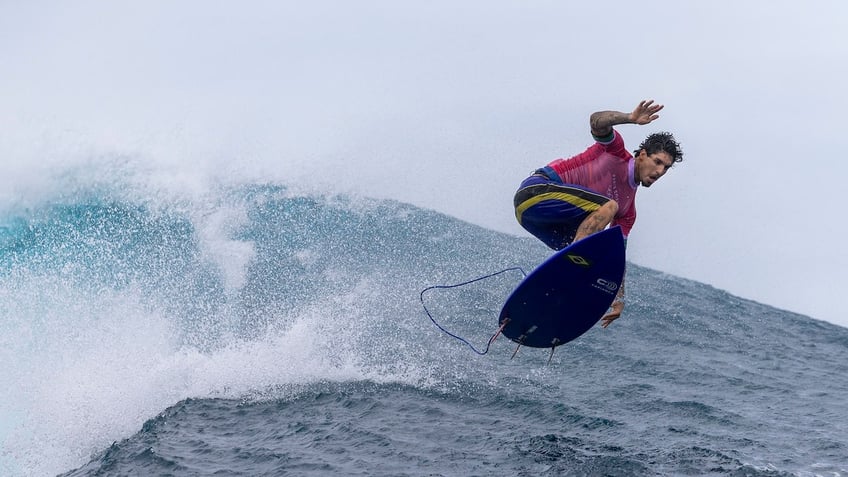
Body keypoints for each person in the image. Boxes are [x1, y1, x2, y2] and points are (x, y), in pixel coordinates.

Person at [513, 100, 683, 328]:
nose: (660, 171)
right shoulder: (615, 152)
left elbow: (616, 257)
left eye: (666, 168)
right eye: (657, 162)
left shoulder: (628, 212)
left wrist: (618, 299)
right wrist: (629, 118)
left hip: (536, 222)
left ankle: (550, 301)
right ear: (642, 155)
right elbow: (596, 121)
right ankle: (568, 271)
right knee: (608, 208)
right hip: (535, 193)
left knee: (600, 252)